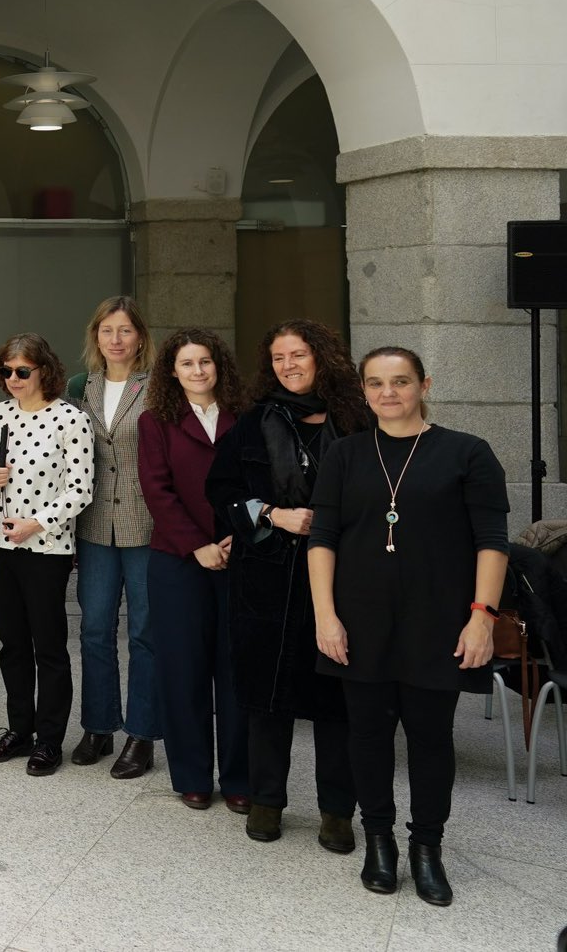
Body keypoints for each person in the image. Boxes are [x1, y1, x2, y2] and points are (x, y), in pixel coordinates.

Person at [310, 347, 510, 906]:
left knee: (429, 740)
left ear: (424, 384)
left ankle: (427, 848)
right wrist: (325, 616)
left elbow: (491, 543)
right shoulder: (346, 455)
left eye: (400, 381)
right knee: (368, 736)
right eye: (375, 383)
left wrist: (482, 618)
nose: (388, 393)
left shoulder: (467, 453)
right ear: (364, 391)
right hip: (358, 621)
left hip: (438, 620)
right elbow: (322, 540)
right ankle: (379, 842)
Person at [208, 318, 367, 851]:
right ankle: (268, 801)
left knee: (335, 697)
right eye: (279, 358)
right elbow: (222, 491)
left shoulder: (357, 419)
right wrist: (274, 514)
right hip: (266, 577)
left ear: (321, 357)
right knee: (266, 694)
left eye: (298, 355)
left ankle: (337, 812)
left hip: (343, 577)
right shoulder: (251, 425)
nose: (289, 365)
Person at [138, 327, 249, 812]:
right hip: (178, 560)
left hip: (239, 555)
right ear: (172, 371)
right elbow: (157, 491)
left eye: (205, 361)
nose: (198, 371)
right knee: (182, 668)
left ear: (218, 365)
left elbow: (258, 481)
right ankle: (192, 775)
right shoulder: (155, 421)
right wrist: (198, 545)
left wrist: (235, 536)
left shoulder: (245, 417)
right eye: (187, 363)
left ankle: (241, 778)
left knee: (236, 668)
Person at [0, 333, 93, 776]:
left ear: (44, 370)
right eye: (6, 371)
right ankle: (18, 729)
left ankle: (50, 739)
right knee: (13, 645)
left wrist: (36, 523)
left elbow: (80, 489)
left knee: (48, 646)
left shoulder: (69, 419)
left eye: (22, 371)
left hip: (45, 546)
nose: (13, 379)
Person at [70, 296, 159, 779]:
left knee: (146, 632)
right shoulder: (80, 387)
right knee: (94, 629)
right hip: (93, 524)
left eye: (125, 330)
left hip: (147, 525)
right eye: (107, 331)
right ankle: (99, 726)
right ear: (96, 337)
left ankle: (142, 735)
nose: (116, 339)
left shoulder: (159, 386)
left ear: (140, 337)